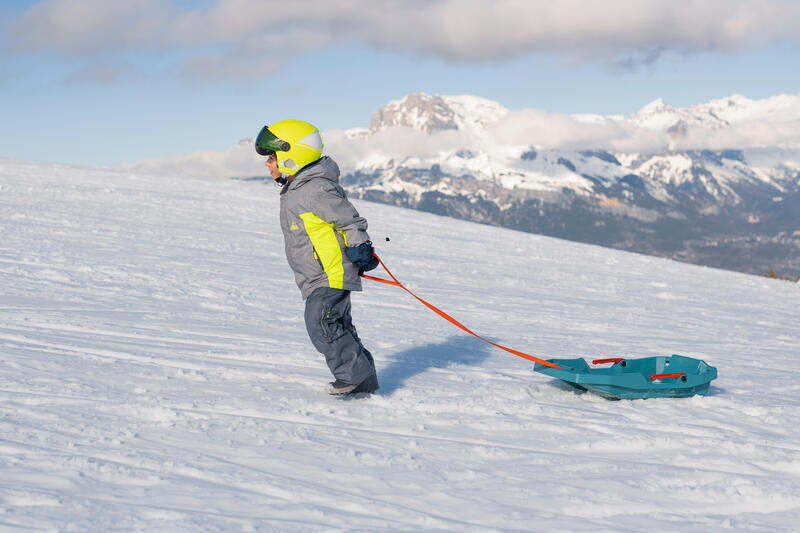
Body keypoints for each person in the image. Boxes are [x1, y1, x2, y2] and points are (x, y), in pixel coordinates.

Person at [255, 119, 380, 395]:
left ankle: (355, 377)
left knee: (320, 322)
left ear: (292, 156)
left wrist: (361, 247)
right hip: (318, 274)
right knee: (337, 323)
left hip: (330, 273)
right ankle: (363, 379)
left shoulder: (314, 189)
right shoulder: (299, 188)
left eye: (272, 157)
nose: (268, 164)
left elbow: (348, 220)